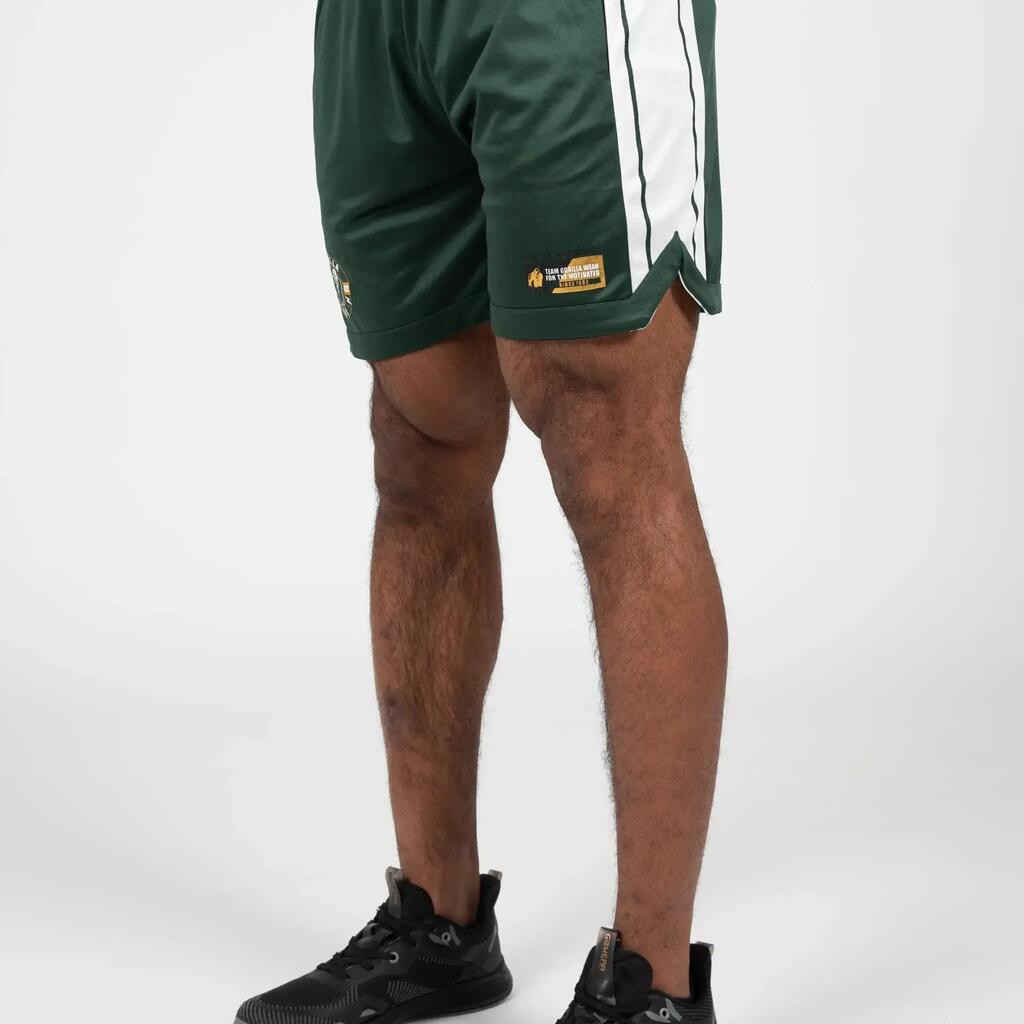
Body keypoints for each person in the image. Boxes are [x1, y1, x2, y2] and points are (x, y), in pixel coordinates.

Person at [234, 1, 726, 1022]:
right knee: (420, 434)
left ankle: (650, 987)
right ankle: (438, 926)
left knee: (607, 437)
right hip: (377, 23)